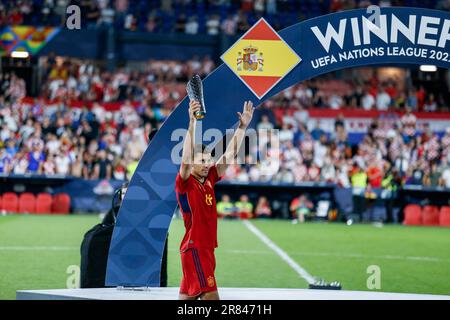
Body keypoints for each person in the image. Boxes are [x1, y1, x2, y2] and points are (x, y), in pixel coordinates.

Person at [176, 99, 254, 300]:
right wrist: (192, 123)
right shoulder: (185, 183)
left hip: (206, 248)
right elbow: (184, 160)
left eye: (209, 159)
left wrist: (242, 127)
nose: (207, 163)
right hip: (196, 248)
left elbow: (229, 153)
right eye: (201, 160)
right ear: (192, 163)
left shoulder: (210, 177)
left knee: (187, 299)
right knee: (212, 297)